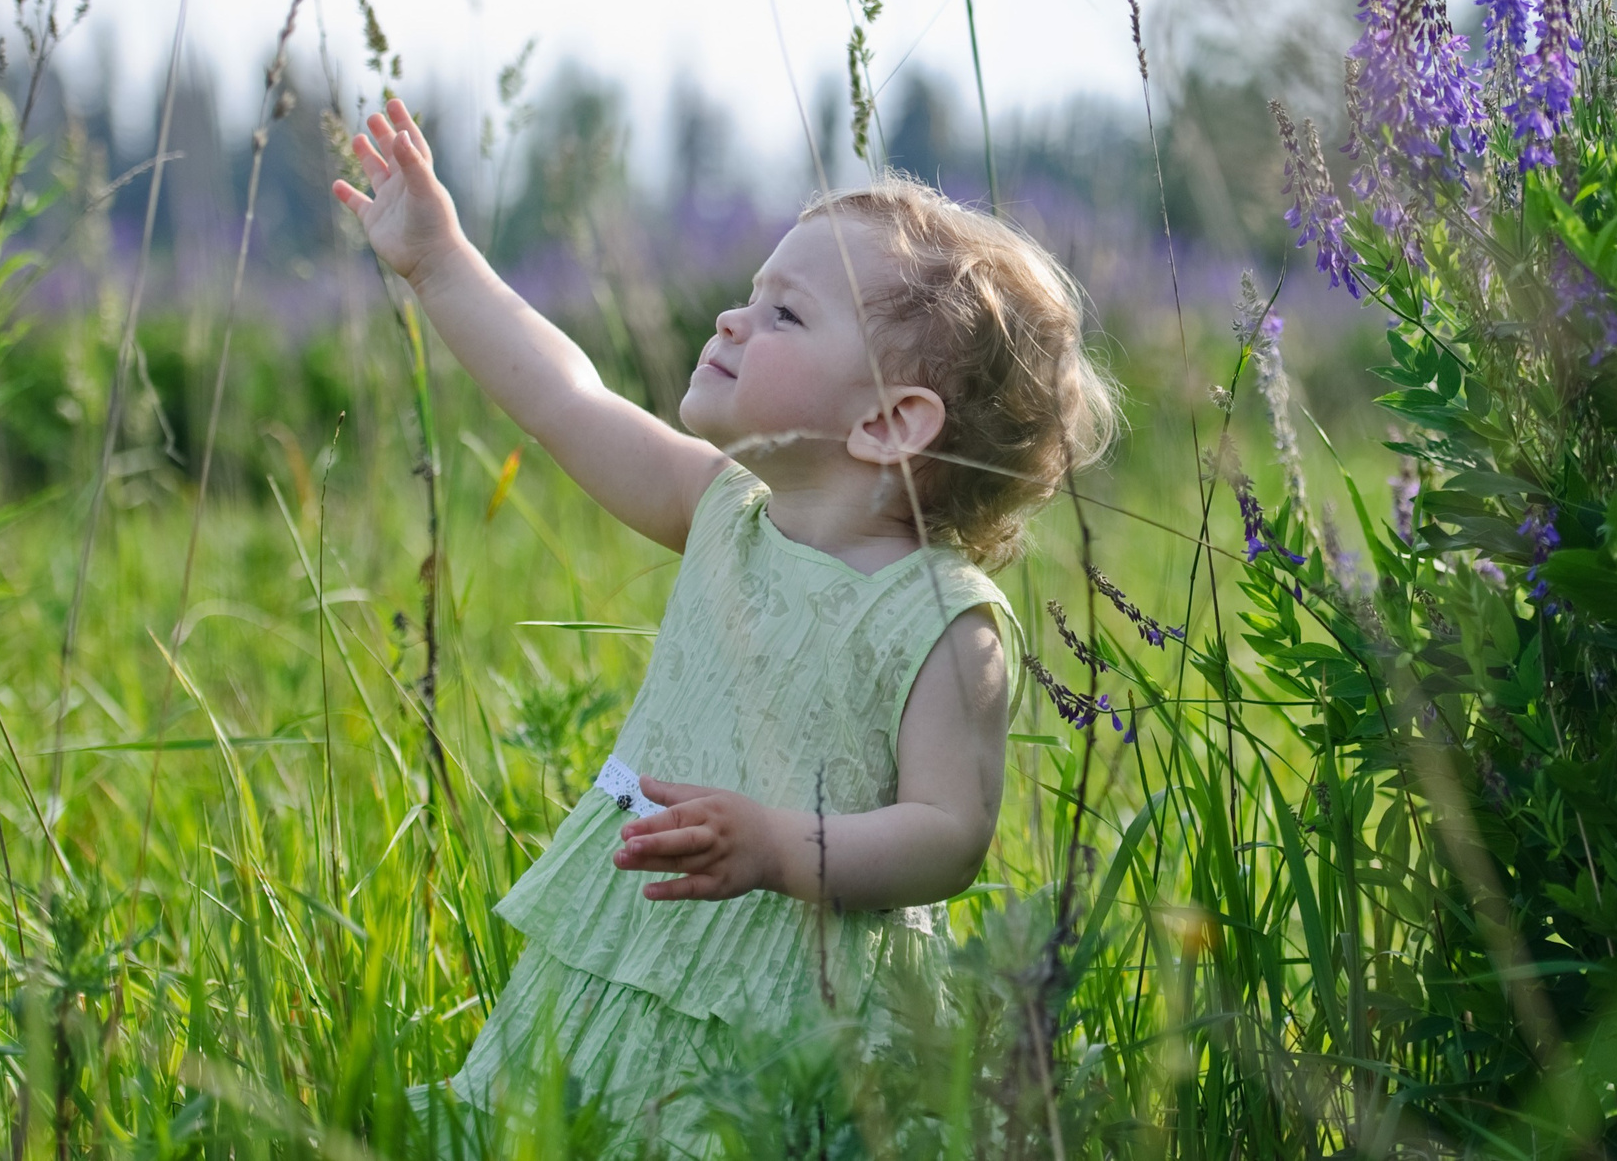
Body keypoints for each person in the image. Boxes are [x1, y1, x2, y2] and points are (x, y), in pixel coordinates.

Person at [332, 99, 1116, 1152]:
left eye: (785, 314)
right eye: (750, 295)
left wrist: (781, 847)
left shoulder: (942, 618)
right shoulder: (720, 510)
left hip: (795, 1002)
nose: (732, 321)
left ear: (891, 421)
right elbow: (564, 399)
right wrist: (439, 262)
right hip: (637, 936)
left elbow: (948, 834)